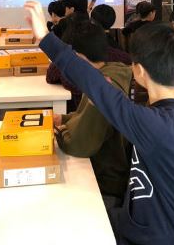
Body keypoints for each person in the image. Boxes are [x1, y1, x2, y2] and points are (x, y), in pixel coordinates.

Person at [25, 0, 174, 245]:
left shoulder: (155, 126)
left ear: (139, 71)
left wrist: (45, 37)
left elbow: (91, 82)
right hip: (159, 224)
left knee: (58, 220)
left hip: (148, 236)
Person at [52, 21, 132, 206]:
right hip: (100, 172)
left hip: (102, 184)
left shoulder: (103, 86)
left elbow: (79, 146)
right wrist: (64, 119)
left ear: (77, 56)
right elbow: (84, 116)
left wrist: (61, 131)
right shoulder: (106, 73)